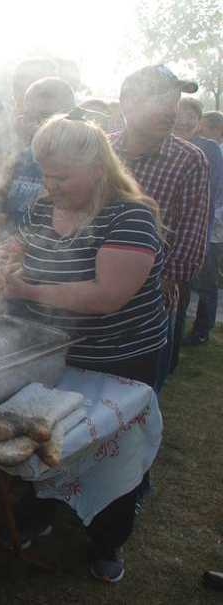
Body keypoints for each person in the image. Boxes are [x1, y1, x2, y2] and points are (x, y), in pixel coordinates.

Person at [0, 109, 168, 583]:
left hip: (120, 357)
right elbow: (24, 244)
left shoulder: (130, 216)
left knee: (112, 447)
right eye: (46, 174)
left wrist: (26, 291)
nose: (50, 185)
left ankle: (108, 540)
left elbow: (106, 297)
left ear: (97, 169)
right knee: (49, 439)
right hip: (53, 352)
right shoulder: (41, 205)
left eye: (62, 176)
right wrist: (8, 258)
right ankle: (43, 513)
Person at [110, 65, 210, 387]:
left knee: (141, 387)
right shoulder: (101, 149)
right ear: (127, 102)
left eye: (175, 101)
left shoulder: (189, 159)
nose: (172, 111)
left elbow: (193, 229)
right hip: (95, 282)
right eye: (160, 99)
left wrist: (169, 278)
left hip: (153, 294)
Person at [173, 98, 223, 345]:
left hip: (202, 231)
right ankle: (172, 336)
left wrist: (200, 235)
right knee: (175, 291)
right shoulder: (164, 144)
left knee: (200, 285)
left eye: (191, 115)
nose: (184, 120)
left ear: (199, 121)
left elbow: (209, 195)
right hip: (170, 232)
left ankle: (201, 330)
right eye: (180, 113)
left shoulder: (209, 149)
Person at [3, 77, 76, 230]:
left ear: (69, 116)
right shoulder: (19, 155)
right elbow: (0, 198)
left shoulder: (79, 160)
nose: (32, 125)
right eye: (28, 116)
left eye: (44, 117)